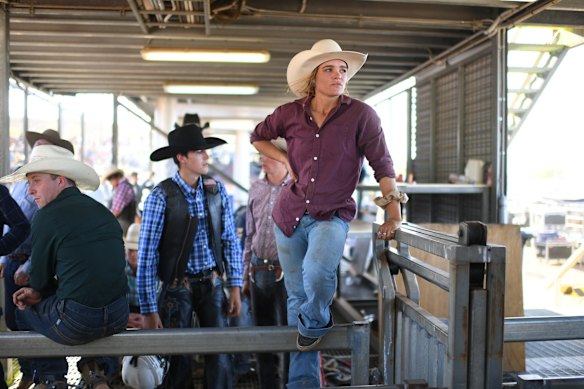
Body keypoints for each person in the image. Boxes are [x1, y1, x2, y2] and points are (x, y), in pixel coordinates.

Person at [250, 39, 407, 388]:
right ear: (313, 77)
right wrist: (284, 159)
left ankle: (315, 325)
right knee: (297, 298)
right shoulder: (290, 114)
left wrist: (394, 213)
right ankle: (303, 383)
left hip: (332, 215)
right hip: (288, 216)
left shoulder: (362, 115)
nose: (338, 75)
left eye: (343, 70)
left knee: (318, 273)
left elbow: (383, 164)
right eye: (330, 69)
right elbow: (258, 136)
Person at [0, 145, 129, 389]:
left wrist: (34, 293)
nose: (30, 191)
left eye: (36, 181)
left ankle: (52, 378)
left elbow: (39, 282)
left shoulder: (47, 217)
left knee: (23, 311)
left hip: (77, 320)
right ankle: (96, 370)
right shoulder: (102, 212)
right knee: (82, 302)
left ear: (59, 181)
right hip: (118, 314)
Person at [137, 122, 243, 389]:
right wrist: (149, 309)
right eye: (199, 151)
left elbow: (230, 240)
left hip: (212, 282)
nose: (207, 156)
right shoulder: (160, 196)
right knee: (176, 359)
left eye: (205, 151)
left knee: (219, 356)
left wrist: (235, 286)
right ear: (181, 157)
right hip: (176, 286)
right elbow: (147, 256)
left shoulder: (217, 193)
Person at [0, 129, 75, 389]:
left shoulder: (51, 187)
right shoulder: (23, 179)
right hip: (12, 258)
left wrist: (30, 264)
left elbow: (49, 232)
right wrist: (3, 253)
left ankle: (48, 376)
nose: (37, 149)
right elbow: (9, 220)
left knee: (36, 318)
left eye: (44, 146)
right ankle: (29, 373)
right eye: (36, 145)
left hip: (34, 260)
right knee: (14, 321)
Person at [242, 150, 289, 389]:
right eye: (261, 155)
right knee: (262, 337)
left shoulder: (297, 189)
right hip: (259, 269)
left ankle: (290, 384)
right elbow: (250, 233)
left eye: (267, 155)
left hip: (288, 272)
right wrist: (244, 274)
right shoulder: (256, 188)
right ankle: (268, 385)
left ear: (284, 158)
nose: (262, 159)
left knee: (291, 337)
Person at [0, 184, 31, 389]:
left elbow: (22, 226)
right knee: (14, 319)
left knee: (27, 321)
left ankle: (38, 375)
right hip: (13, 261)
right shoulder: (14, 186)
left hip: (27, 263)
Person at [104, 168, 137, 237]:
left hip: (122, 221)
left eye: (110, 181)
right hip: (126, 221)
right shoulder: (126, 185)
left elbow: (117, 209)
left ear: (114, 178)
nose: (111, 184)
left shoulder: (122, 187)